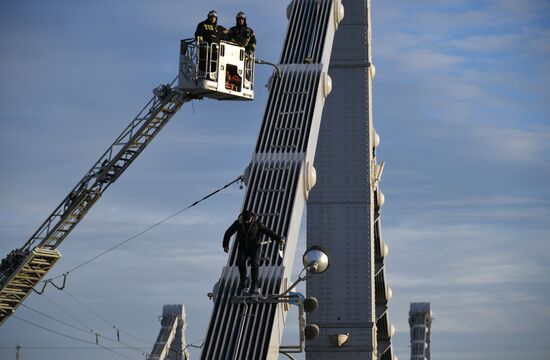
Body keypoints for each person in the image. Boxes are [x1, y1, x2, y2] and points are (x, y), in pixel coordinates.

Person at [223, 210, 285, 295]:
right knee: (240, 262)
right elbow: (228, 233)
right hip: (243, 247)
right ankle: (244, 282)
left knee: (254, 264)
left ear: (251, 218)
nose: (246, 222)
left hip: (255, 247)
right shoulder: (238, 223)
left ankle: (254, 285)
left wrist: (279, 239)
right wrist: (225, 245)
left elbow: (268, 231)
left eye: (248, 221)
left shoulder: (257, 223)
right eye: (245, 221)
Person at [194, 10, 226, 75]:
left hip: (215, 52)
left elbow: (228, 34)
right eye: (211, 17)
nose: (213, 18)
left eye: (214, 17)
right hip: (205, 50)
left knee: (214, 66)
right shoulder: (202, 25)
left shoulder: (218, 28)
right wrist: (202, 43)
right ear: (208, 17)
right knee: (204, 66)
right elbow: (198, 34)